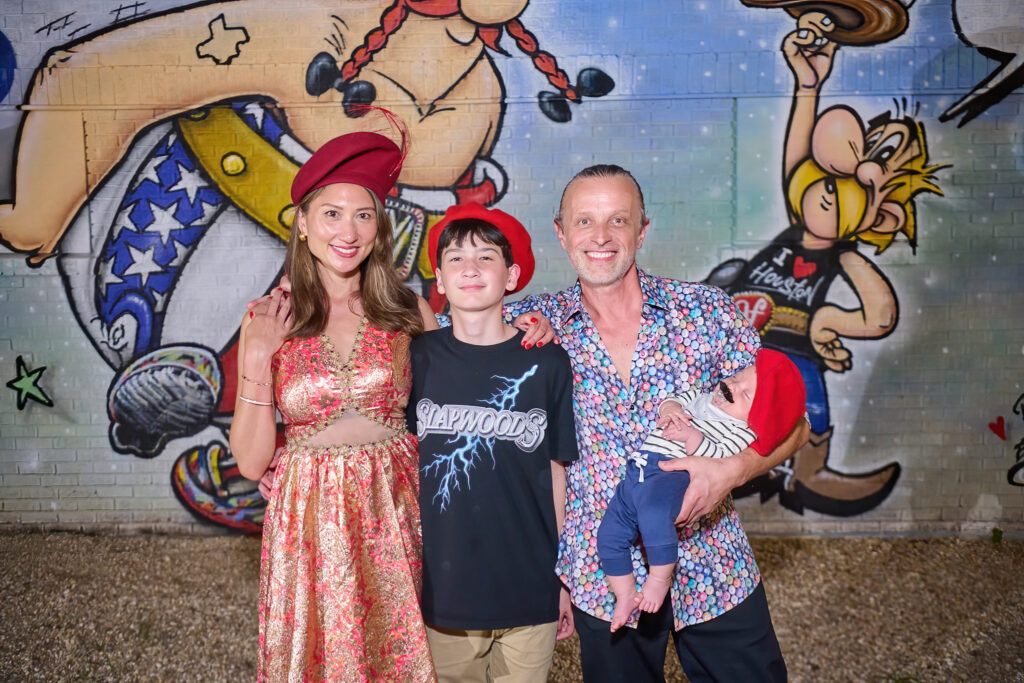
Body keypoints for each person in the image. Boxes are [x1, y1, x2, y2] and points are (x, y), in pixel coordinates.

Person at [505, 164, 810, 682]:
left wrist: (729, 473)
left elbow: (796, 424)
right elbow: (428, 330)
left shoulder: (705, 311)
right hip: (606, 570)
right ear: (561, 233)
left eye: (618, 220)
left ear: (642, 230)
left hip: (713, 560)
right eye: (584, 222)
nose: (600, 237)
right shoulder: (531, 322)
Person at [228, 129, 441, 681]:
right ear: (302, 221)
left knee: (403, 657)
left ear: (380, 227)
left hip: (396, 505)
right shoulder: (270, 316)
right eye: (331, 214)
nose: (348, 232)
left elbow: (456, 405)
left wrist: (528, 330)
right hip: (308, 517)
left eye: (364, 216)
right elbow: (252, 464)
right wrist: (256, 358)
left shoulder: (408, 310)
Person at [408, 202, 577, 682]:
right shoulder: (419, 359)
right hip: (444, 587)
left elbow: (555, 475)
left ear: (512, 274)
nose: (471, 269)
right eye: (456, 259)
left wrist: (561, 579)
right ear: (439, 279)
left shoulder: (547, 363)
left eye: (486, 257)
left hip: (527, 582)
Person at [598, 349, 806, 632]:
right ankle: (623, 594)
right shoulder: (702, 398)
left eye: (745, 394)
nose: (732, 386)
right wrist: (670, 408)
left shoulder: (740, 431)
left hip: (669, 476)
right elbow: (678, 398)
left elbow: (719, 456)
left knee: (654, 517)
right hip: (638, 472)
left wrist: (693, 437)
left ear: (757, 418)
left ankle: (659, 579)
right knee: (609, 535)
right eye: (735, 378)